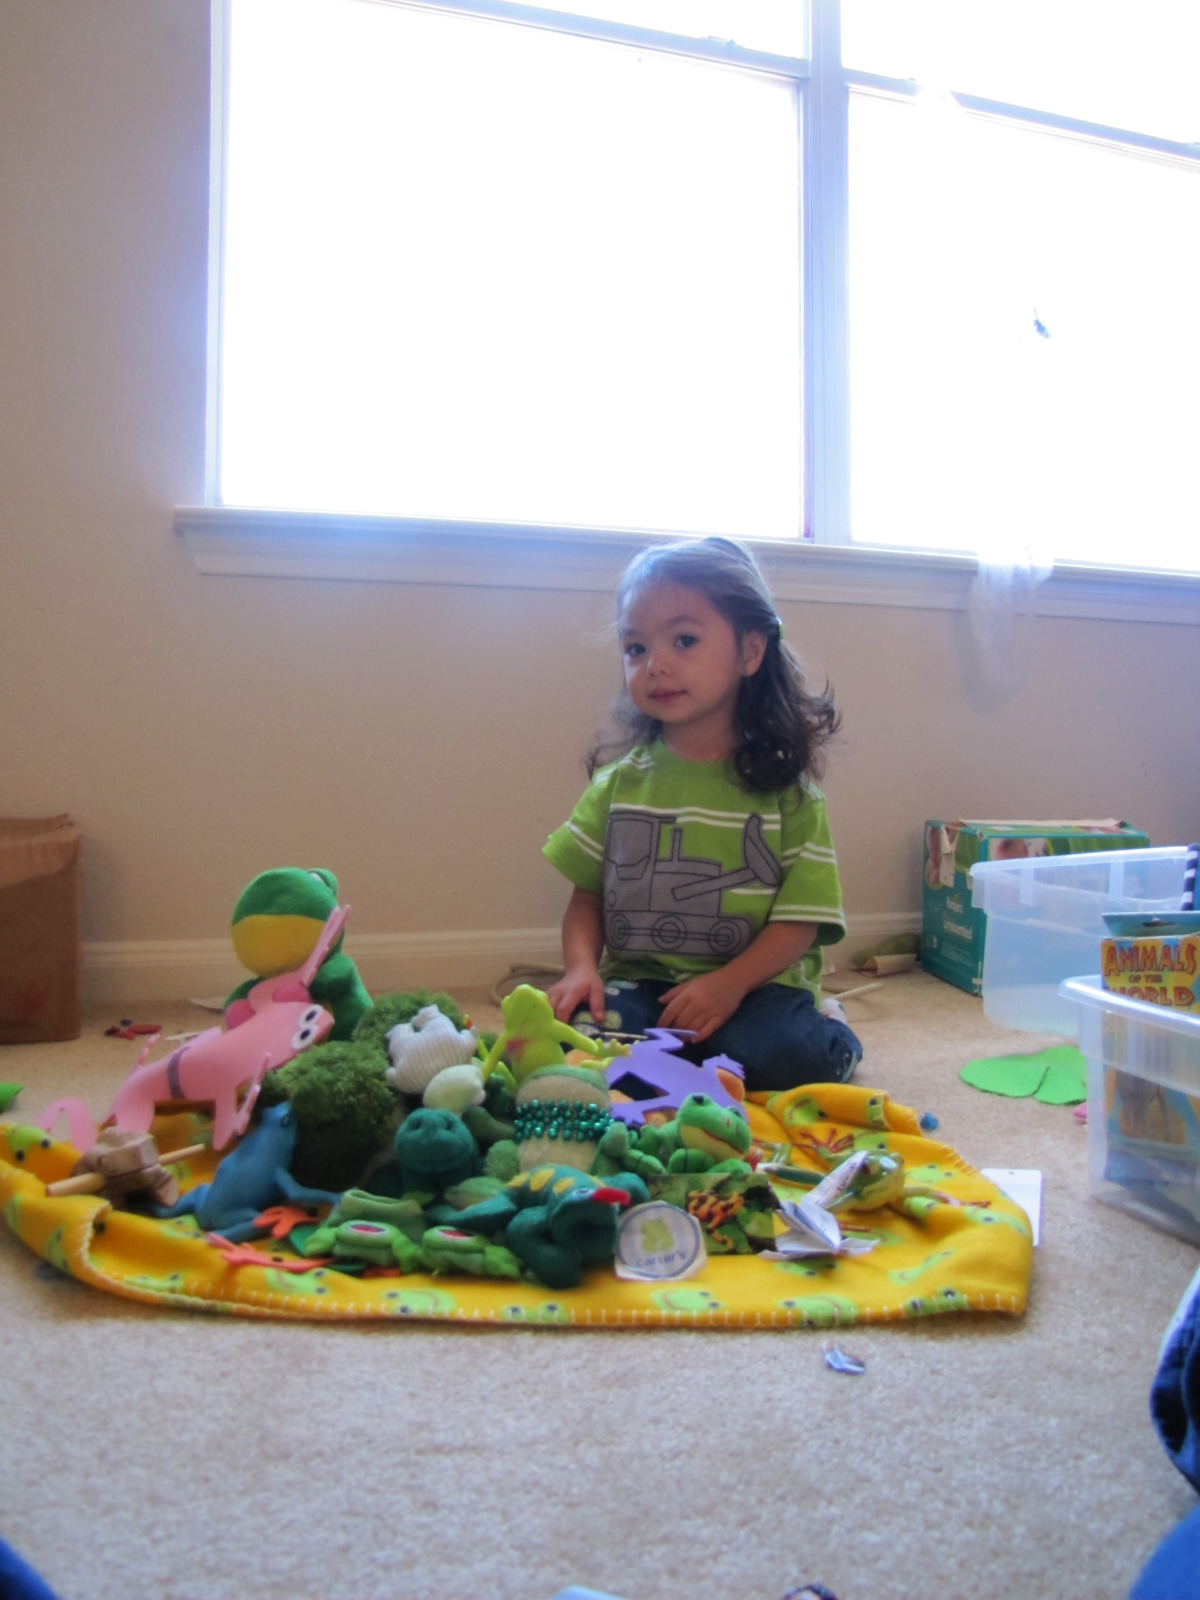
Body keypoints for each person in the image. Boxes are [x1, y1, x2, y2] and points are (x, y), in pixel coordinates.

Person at [542, 535, 862, 1094]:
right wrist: (581, 970)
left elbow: (798, 924)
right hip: (644, 982)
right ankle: (684, 1057)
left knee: (781, 1056)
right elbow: (586, 900)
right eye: (636, 648)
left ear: (749, 652)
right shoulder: (617, 786)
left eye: (684, 640)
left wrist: (727, 985)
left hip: (756, 987)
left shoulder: (791, 797)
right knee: (584, 1043)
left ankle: (834, 1029)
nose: (655, 665)